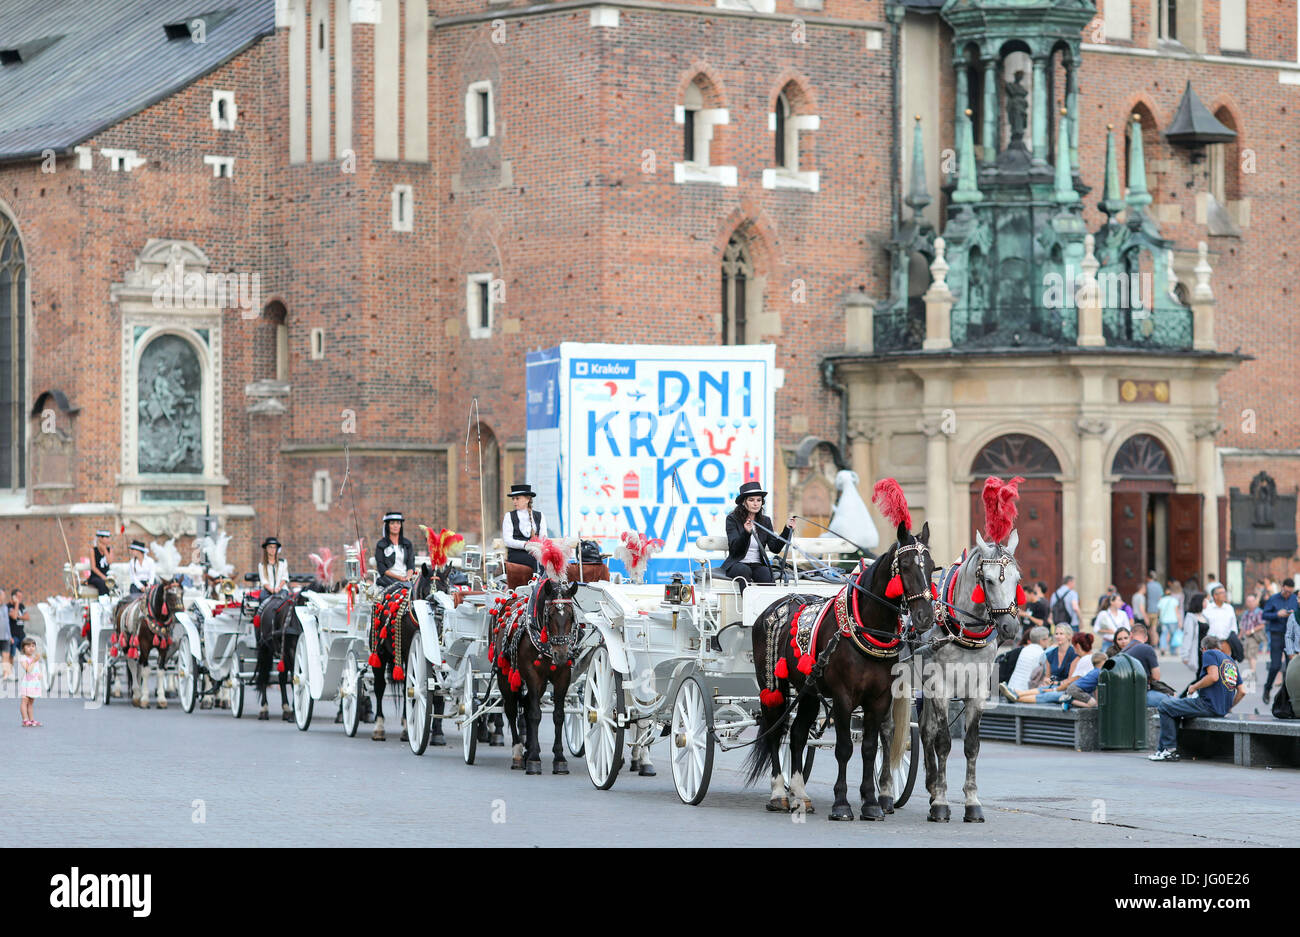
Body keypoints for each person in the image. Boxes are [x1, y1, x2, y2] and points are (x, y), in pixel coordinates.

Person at [1149, 634, 1245, 761]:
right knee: (1174, 708)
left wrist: (1194, 686)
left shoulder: (1209, 654)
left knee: (1165, 705)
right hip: (1220, 709)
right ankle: (1163, 750)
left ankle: (1169, 750)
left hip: (1207, 704)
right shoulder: (1231, 661)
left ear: (1204, 649)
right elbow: (1242, 691)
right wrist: (1228, 706)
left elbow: (1213, 676)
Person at [721, 481, 795, 586]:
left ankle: (767, 602)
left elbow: (775, 548)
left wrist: (787, 529)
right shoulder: (732, 519)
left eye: (759, 500)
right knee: (743, 570)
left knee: (765, 573)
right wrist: (746, 533)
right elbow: (735, 548)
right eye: (751, 500)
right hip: (737, 563)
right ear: (743, 502)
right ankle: (748, 602)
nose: (756, 504)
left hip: (757, 564)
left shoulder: (765, 521)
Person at [1260, 577, 1299, 704]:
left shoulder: (1295, 598)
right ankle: (1267, 688)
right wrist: (1277, 614)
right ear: (1282, 587)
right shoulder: (1273, 598)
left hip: (1291, 636)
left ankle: (1287, 696)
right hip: (1276, 634)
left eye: (1290, 592)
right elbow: (1264, 615)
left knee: (1290, 667)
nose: (1288, 594)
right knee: (1275, 665)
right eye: (1286, 591)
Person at [501, 484, 548, 575]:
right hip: (516, 553)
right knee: (536, 560)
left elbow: (544, 538)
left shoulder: (540, 515)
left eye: (517, 498)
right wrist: (525, 544)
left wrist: (537, 546)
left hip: (535, 551)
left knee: (546, 558)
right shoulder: (509, 516)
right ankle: (536, 585)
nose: (514, 501)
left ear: (527, 499)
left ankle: (547, 585)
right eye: (513, 499)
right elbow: (507, 541)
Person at [1121, 622, 1169, 708]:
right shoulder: (1147, 648)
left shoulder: (1123, 651)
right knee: (1173, 702)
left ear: (1131, 636)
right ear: (1146, 638)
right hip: (1141, 695)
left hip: (1124, 695)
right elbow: (1156, 676)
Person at [998, 625, 1051, 700]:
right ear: (1042, 640)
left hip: (1011, 686)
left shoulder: (1024, 650)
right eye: (1048, 638)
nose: (1049, 640)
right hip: (1024, 692)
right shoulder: (1042, 653)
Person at [374, 511, 415, 587]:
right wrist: (398, 577)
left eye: (398, 523)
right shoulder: (381, 545)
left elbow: (411, 564)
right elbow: (381, 567)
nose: (395, 526)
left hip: (406, 579)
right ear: (387, 526)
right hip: (388, 580)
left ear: (401, 526)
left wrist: (408, 577)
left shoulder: (407, 544)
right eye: (392, 523)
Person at [1204, 585, 1242, 662]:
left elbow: (1233, 626)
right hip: (1211, 644)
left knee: (1226, 667)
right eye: (1221, 593)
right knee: (1213, 668)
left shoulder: (1229, 608)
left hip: (1226, 643)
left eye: (1225, 592)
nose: (1224, 594)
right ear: (1215, 596)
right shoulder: (1208, 609)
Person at [1238, 593, 1265, 693]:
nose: (1249, 603)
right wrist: (1239, 636)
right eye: (1248, 601)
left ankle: (1252, 674)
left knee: (1252, 654)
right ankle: (1252, 672)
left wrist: (1252, 630)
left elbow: (1262, 625)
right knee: (1249, 655)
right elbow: (1242, 626)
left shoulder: (1259, 612)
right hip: (1246, 637)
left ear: (1255, 602)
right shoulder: (1245, 613)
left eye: (1251, 601)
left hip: (1255, 636)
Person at [17, 635, 42, 727]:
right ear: (23, 648)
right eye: (28, 646)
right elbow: (28, 669)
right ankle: (25, 719)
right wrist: (34, 660)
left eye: (32, 646)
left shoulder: (34, 658)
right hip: (27, 683)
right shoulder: (23, 658)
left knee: (31, 702)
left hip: (34, 683)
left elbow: (36, 669)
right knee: (25, 701)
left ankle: (31, 719)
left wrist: (40, 674)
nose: (31, 648)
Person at [1179, 592, 1208, 670]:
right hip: (1197, 649)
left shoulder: (1204, 616)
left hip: (1206, 649)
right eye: (1204, 601)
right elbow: (1188, 636)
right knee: (1200, 673)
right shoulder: (1191, 618)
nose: (1206, 603)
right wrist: (1185, 655)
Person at [86, 529, 114, 596]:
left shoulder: (110, 550)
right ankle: (103, 601)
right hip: (96, 576)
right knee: (102, 583)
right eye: (106, 537)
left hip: (107, 575)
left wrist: (105, 550)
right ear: (100, 538)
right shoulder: (93, 550)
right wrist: (103, 577)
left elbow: (109, 561)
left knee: (113, 584)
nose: (108, 539)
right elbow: (93, 567)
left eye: (108, 537)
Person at [1156, 585, 1181, 655]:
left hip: (1164, 620)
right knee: (1173, 635)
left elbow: (1159, 612)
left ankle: (1163, 648)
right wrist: (1179, 621)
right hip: (1173, 620)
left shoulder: (1161, 601)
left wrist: (1159, 619)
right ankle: (1172, 650)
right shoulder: (1174, 600)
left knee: (1163, 634)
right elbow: (1177, 611)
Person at [6, 588, 27, 659]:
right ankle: (9, 669)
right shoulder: (8, 607)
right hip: (12, 636)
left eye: (21, 597)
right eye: (19, 597)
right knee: (11, 655)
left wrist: (20, 616)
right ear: (13, 597)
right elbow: (14, 617)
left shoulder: (22, 606)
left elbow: (27, 617)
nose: (20, 599)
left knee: (26, 654)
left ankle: (28, 669)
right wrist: (17, 603)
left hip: (21, 634)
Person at [0, 586, 10, 680]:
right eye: (2, 595)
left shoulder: (5, 607)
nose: (4, 597)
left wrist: (10, 635)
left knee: (6, 656)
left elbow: (7, 623)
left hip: (5, 636)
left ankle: (5, 674)